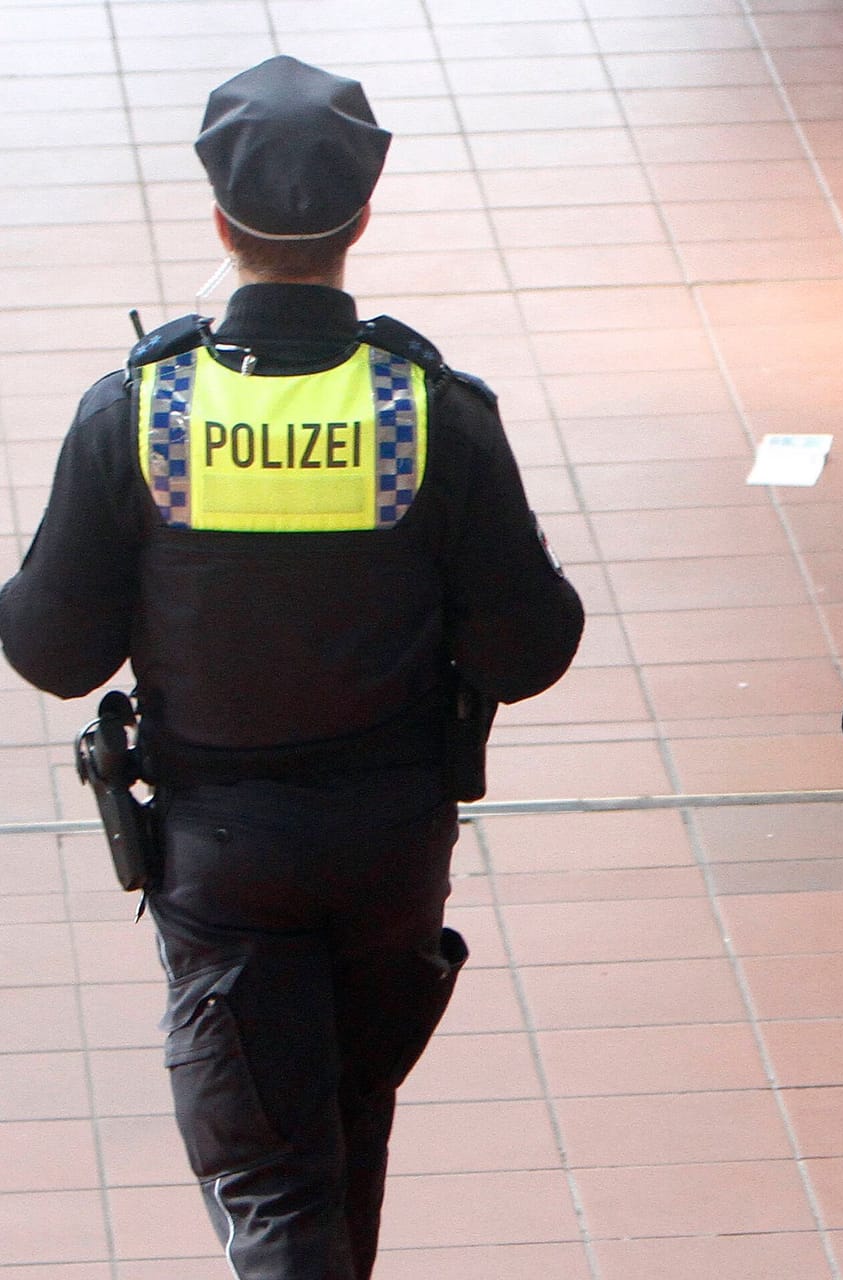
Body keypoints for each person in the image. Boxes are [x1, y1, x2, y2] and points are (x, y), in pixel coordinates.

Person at [0, 56, 583, 1279]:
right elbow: (532, 647)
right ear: (360, 221)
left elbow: (53, 650)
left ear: (221, 222)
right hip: (393, 845)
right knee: (339, 1143)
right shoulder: (435, 416)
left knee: (276, 1192)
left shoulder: (143, 416)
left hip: (222, 856)